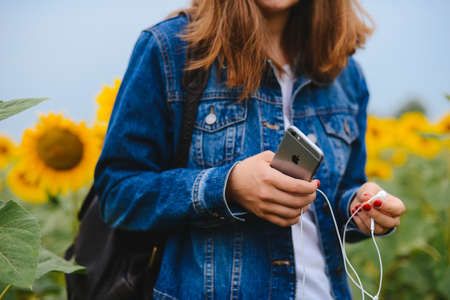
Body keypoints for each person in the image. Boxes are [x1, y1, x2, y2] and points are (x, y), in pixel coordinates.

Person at [93, 0, 406, 299]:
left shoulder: (345, 72)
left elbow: (336, 201)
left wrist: (360, 208)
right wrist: (227, 187)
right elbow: (117, 192)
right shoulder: (170, 49)